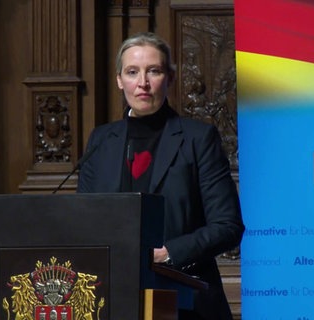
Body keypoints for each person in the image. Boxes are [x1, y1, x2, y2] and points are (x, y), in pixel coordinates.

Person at [77, 32, 244, 320]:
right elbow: (84, 221)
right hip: (111, 300)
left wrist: (165, 254)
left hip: (187, 300)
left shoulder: (197, 138)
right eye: (132, 72)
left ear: (170, 77)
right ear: (119, 80)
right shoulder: (101, 141)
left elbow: (228, 227)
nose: (142, 82)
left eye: (153, 71)